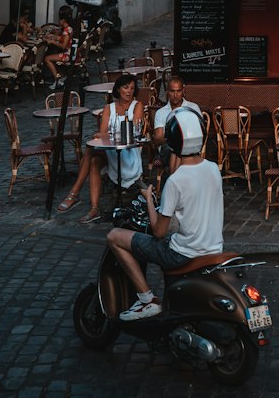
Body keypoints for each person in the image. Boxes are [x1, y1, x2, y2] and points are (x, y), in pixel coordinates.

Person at [106, 108, 223, 321]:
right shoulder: (214, 169)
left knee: (114, 236)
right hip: (214, 248)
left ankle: (147, 300)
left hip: (182, 254)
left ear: (173, 141)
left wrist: (149, 199)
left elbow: (159, 231)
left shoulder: (175, 181)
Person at [58, 74, 144, 223]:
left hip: (128, 152)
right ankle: (94, 208)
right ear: (118, 89)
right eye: (125, 87)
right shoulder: (108, 108)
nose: (129, 91)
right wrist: (106, 134)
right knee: (93, 158)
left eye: (131, 88)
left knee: (91, 152)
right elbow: (101, 134)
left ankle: (74, 193)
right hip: (111, 150)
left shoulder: (137, 106)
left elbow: (132, 132)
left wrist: (107, 134)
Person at [43, 6, 74, 85]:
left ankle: (57, 79)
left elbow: (63, 46)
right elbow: (63, 39)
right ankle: (61, 76)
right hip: (70, 52)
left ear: (63, 20)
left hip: (67, 55)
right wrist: (53, 36)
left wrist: (52, 42)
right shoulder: (69, 28)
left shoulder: (66, 31)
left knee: (47, 58)